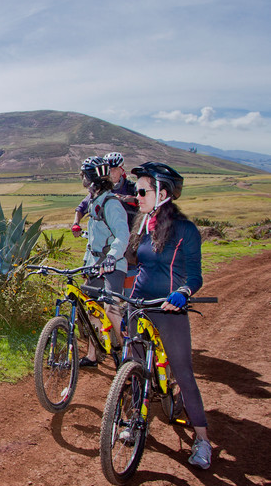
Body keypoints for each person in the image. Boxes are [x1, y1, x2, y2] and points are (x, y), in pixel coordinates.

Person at [126, 161, 212, 470]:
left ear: (163, 192)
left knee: (183, 371)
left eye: (142, 191)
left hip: (169, 307)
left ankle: (202, 439)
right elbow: (138, 266)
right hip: (139, 304)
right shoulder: (141, 224)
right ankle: (133, 419)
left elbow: (195, 276)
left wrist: (184, 293)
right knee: (132, 365)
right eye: (136, 191)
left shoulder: (184, 230)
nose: (137, 196)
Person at [77, 156, 130, 368]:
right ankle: (92, 354)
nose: (81, 179)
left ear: (91, 179)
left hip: (113, 265)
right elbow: (93, 238)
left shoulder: (111, 203)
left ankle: (129, 353)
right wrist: (86, 262)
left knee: (110, 308)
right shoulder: (93, 201)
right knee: (92, 309)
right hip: (95, 264)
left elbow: (122, 235)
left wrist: (112, 256)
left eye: (83, 175)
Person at [71, 151, 138, 236]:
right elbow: (82, 207)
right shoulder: (100, 190)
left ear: (121, 170)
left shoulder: (132, 188)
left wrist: (125, 199)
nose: (111, 172)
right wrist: (75, 223)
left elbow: (145, 201)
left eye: (115, 169)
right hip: (108, 238)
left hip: (131, 234)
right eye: (109, 169)